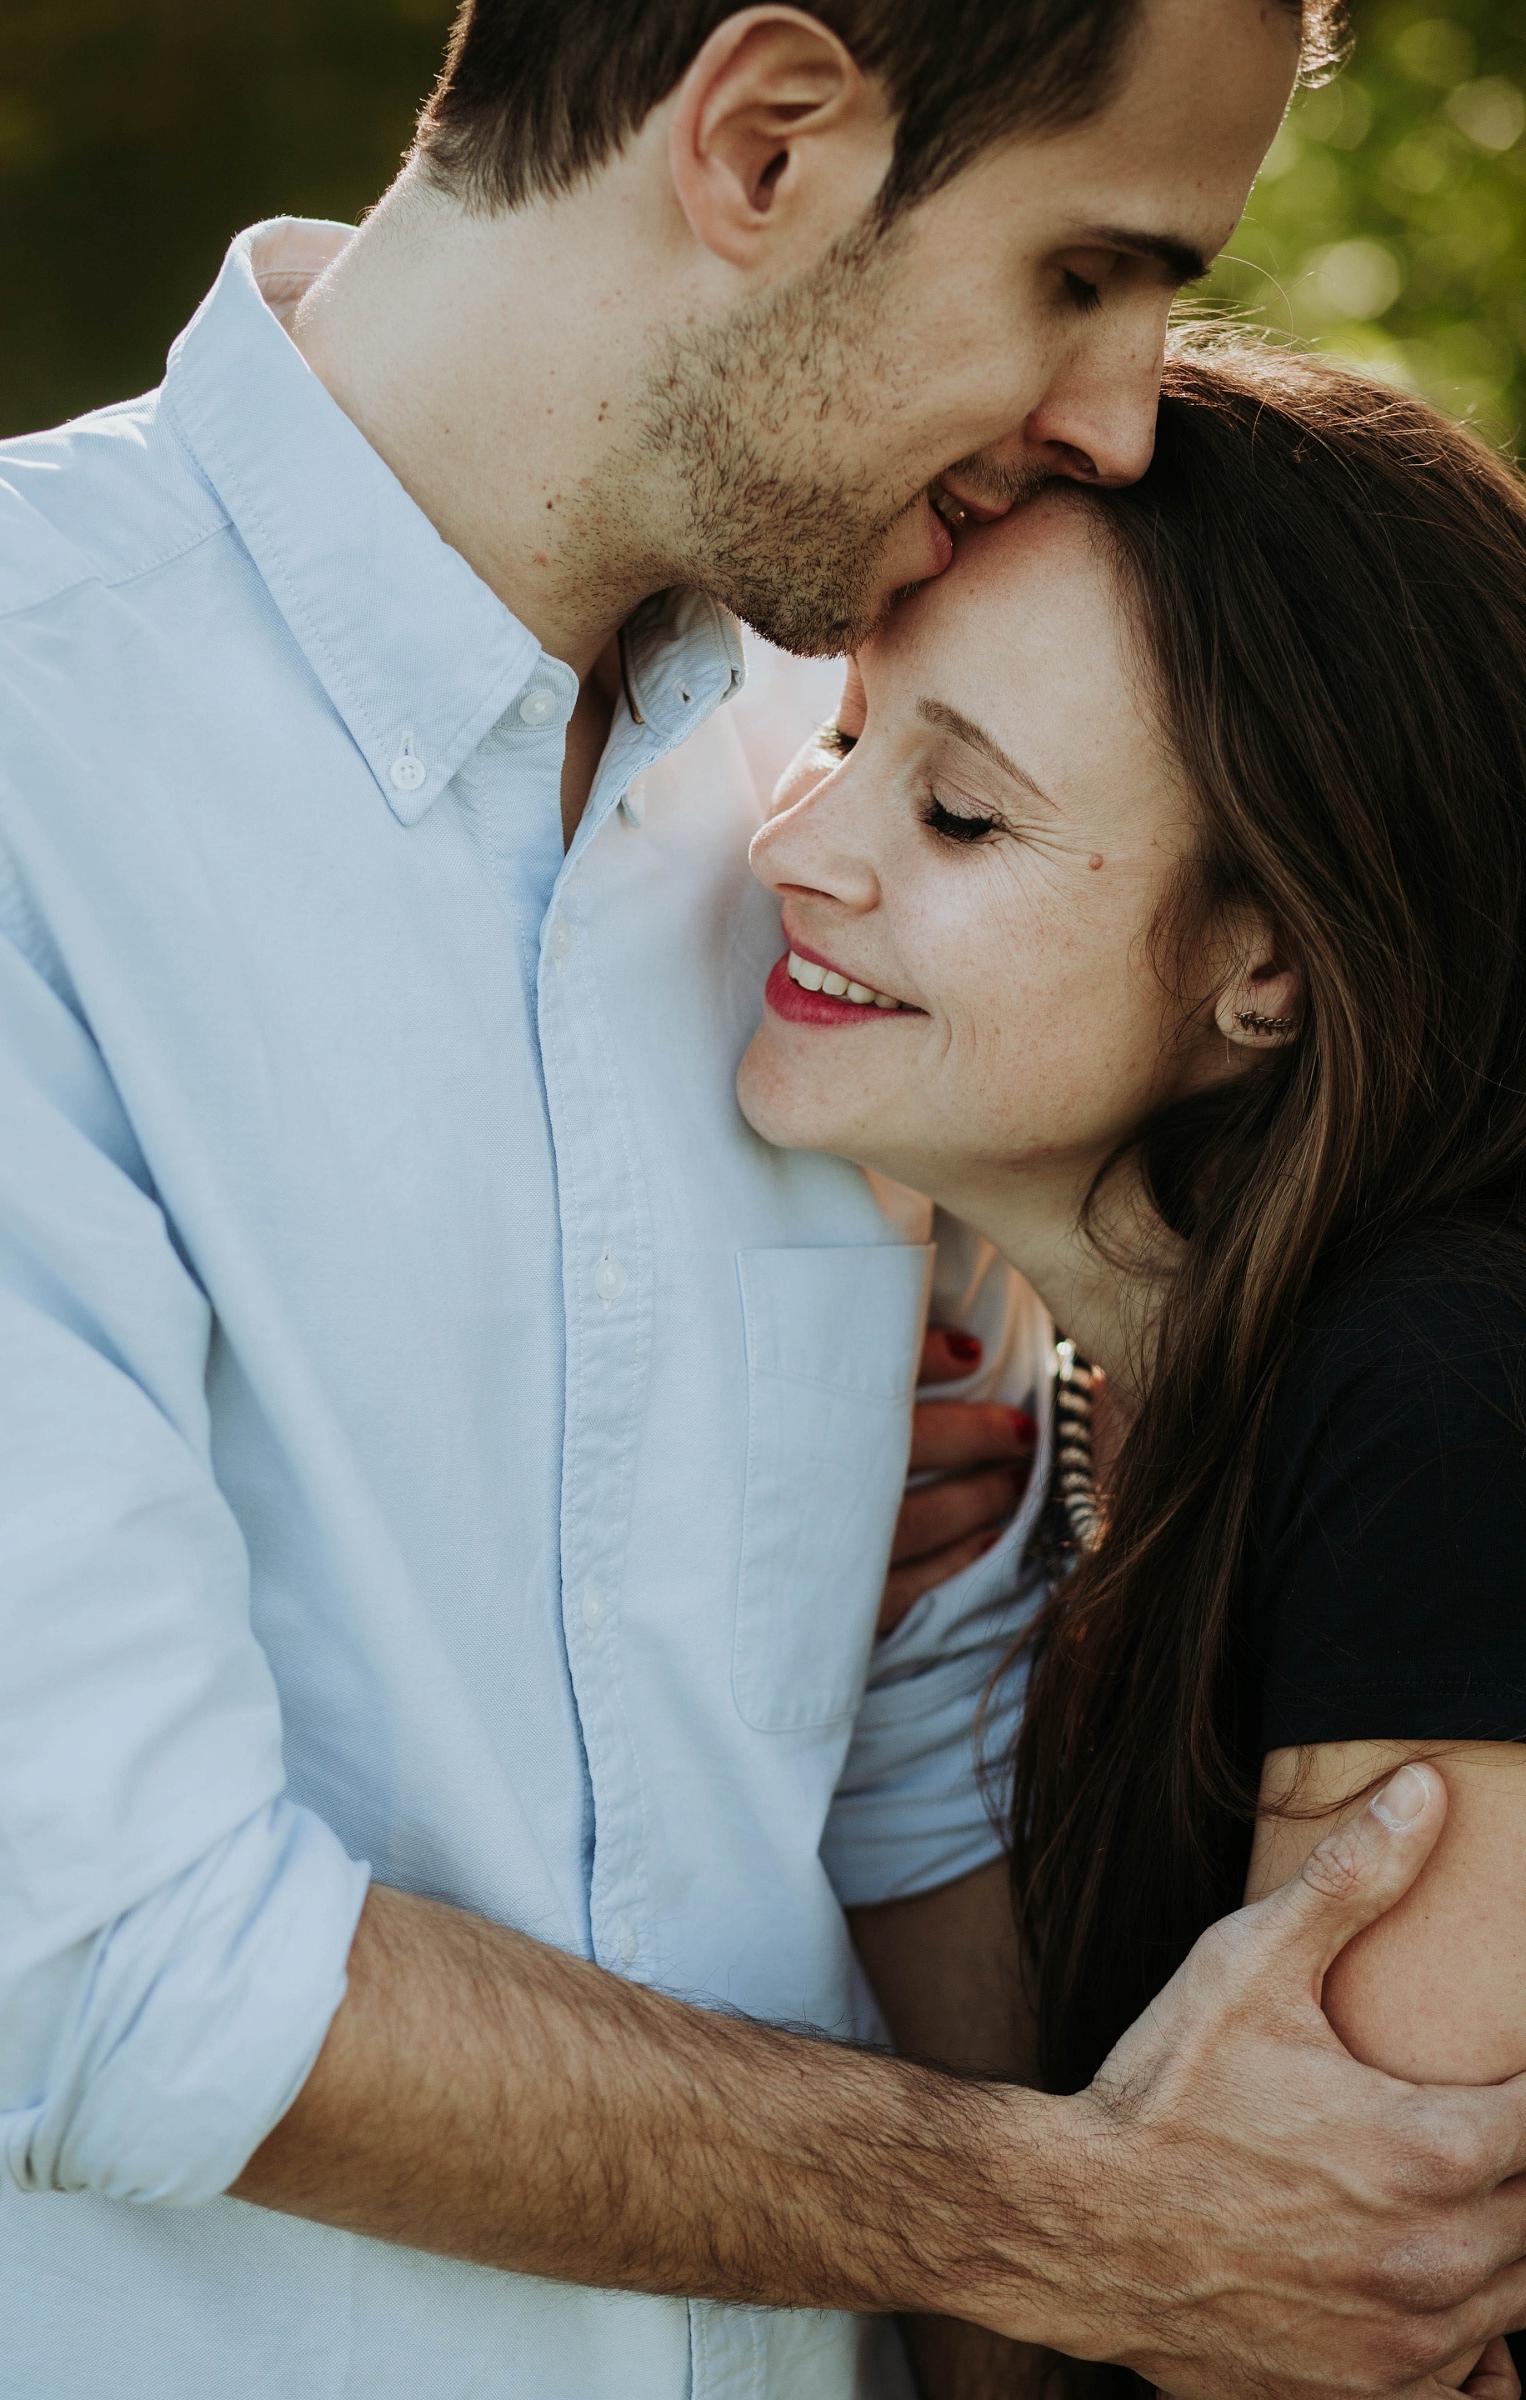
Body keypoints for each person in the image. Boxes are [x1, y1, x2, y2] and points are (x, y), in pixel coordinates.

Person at [0, 0, 1523, 2389]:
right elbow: (102, 1963)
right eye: (1082, 272)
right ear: (764, 142)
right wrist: (1087, 2227)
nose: (1115, 412)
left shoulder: (821, 766)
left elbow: (886, 1737)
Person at [736, 334, 1526, 2397]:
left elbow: (1320, 2336)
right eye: (835, 740)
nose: (795, 851)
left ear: (1263, 964)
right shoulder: (1056, 1415)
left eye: (963, 813)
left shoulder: (1438, 1396)